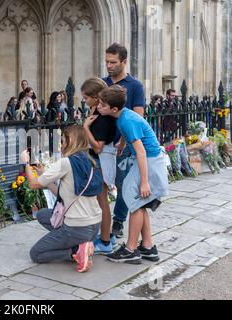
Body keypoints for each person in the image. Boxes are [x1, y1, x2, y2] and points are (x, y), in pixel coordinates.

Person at [97, 85, 169, 264]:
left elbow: (141, 151)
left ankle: (130, 249)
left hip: (149, 162)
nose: (99, 107)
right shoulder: (123, 116)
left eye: (102, 105)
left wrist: (144, 182)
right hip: (147, 161)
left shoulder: (127, 120)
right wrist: (121, 144)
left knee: (135, 201)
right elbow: (126, 133)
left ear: (114, 109)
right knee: (140, 202)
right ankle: (147, 246)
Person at [21, 125, 104, 273]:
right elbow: (66, 193)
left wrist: (26, 162)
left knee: (36, 253)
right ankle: (82, 244)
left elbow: (33, 184)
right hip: (94, 226)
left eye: (63, 140)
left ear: (70, 140)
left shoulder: (66, 163)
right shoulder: (91, 162)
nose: (61, 144)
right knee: (42, 214)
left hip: (76, 227)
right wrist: (43, 173)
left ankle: (75, 251)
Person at [102, 43, 146, 239]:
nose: (109, 66)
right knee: (100, 184)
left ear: (124, 62)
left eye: (113, 62)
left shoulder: (135, 86)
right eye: (106, 62)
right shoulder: (103, 83)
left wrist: (125, 142)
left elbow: (138, 116)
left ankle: (118, 221)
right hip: (102, 143)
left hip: (124, 145)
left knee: (122, 183)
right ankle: (100, 223)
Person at [81, 78, 118, 255]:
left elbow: (98, 146)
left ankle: (104, 242)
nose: (84, 101)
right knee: (100, 201)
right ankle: (106, 235)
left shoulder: (103, 118)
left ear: (96, 98)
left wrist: (85, 128)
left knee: (102, 201)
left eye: (86, 98)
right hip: (97, 161)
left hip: (101, 161)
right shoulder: (96, 112)